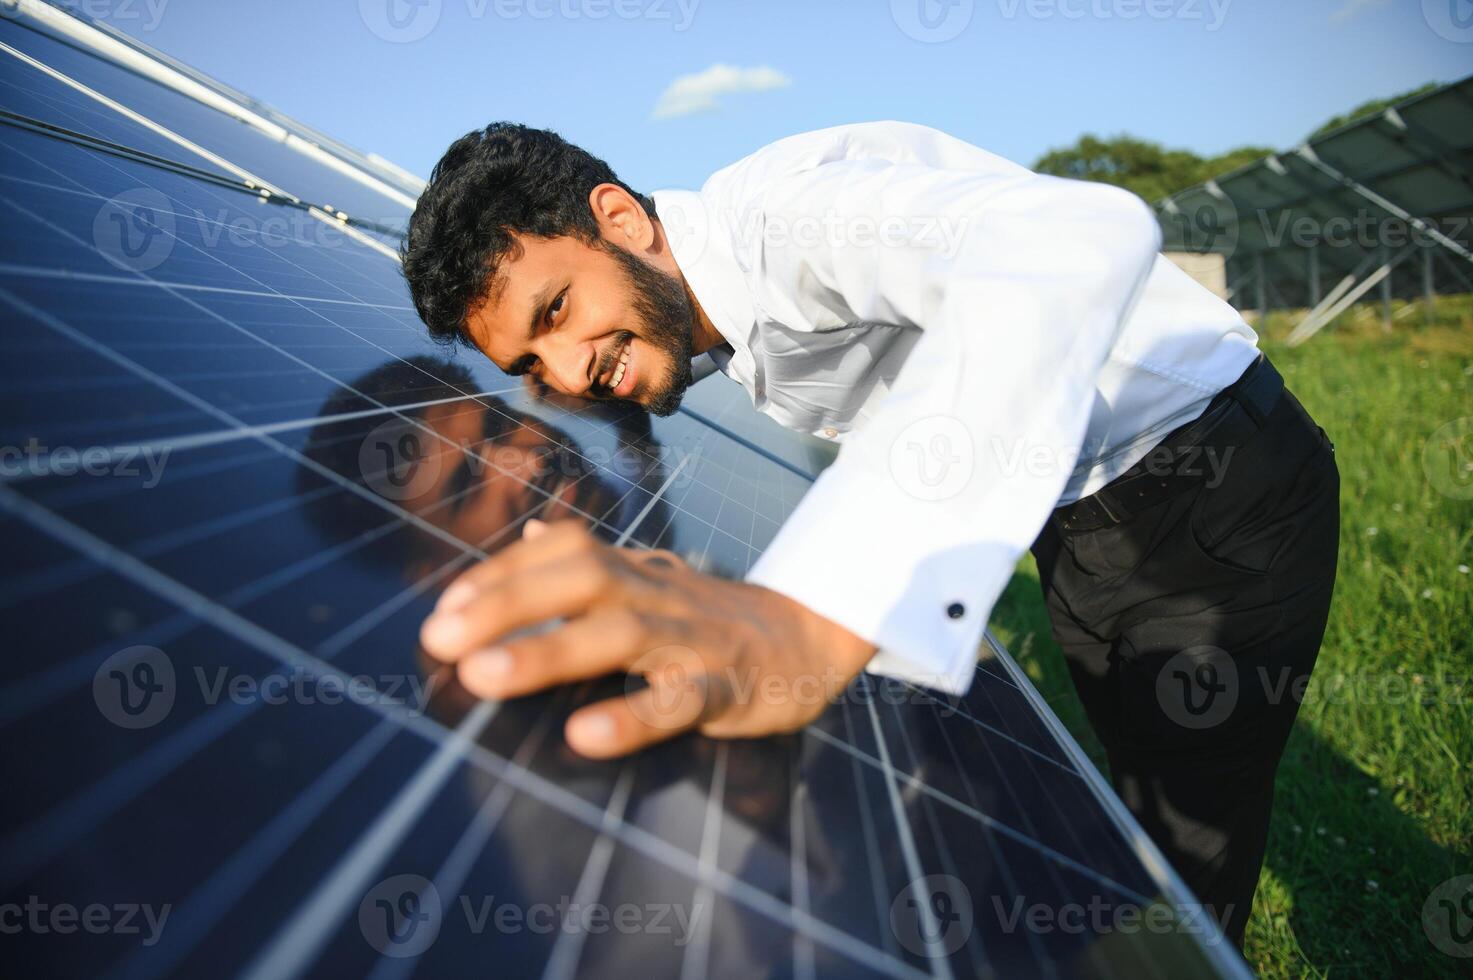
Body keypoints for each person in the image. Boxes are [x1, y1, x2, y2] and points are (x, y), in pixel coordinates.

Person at [399, 121, 1340, 945]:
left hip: (1212, 481)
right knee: (1136, 781)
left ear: (621, 219)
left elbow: (1075, 237)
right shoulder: (694, 308)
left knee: (1185, 844)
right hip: (1080, 508)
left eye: (556, 310)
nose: (565, 372)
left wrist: (809, 616)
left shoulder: (788, 220)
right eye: (529, 361)